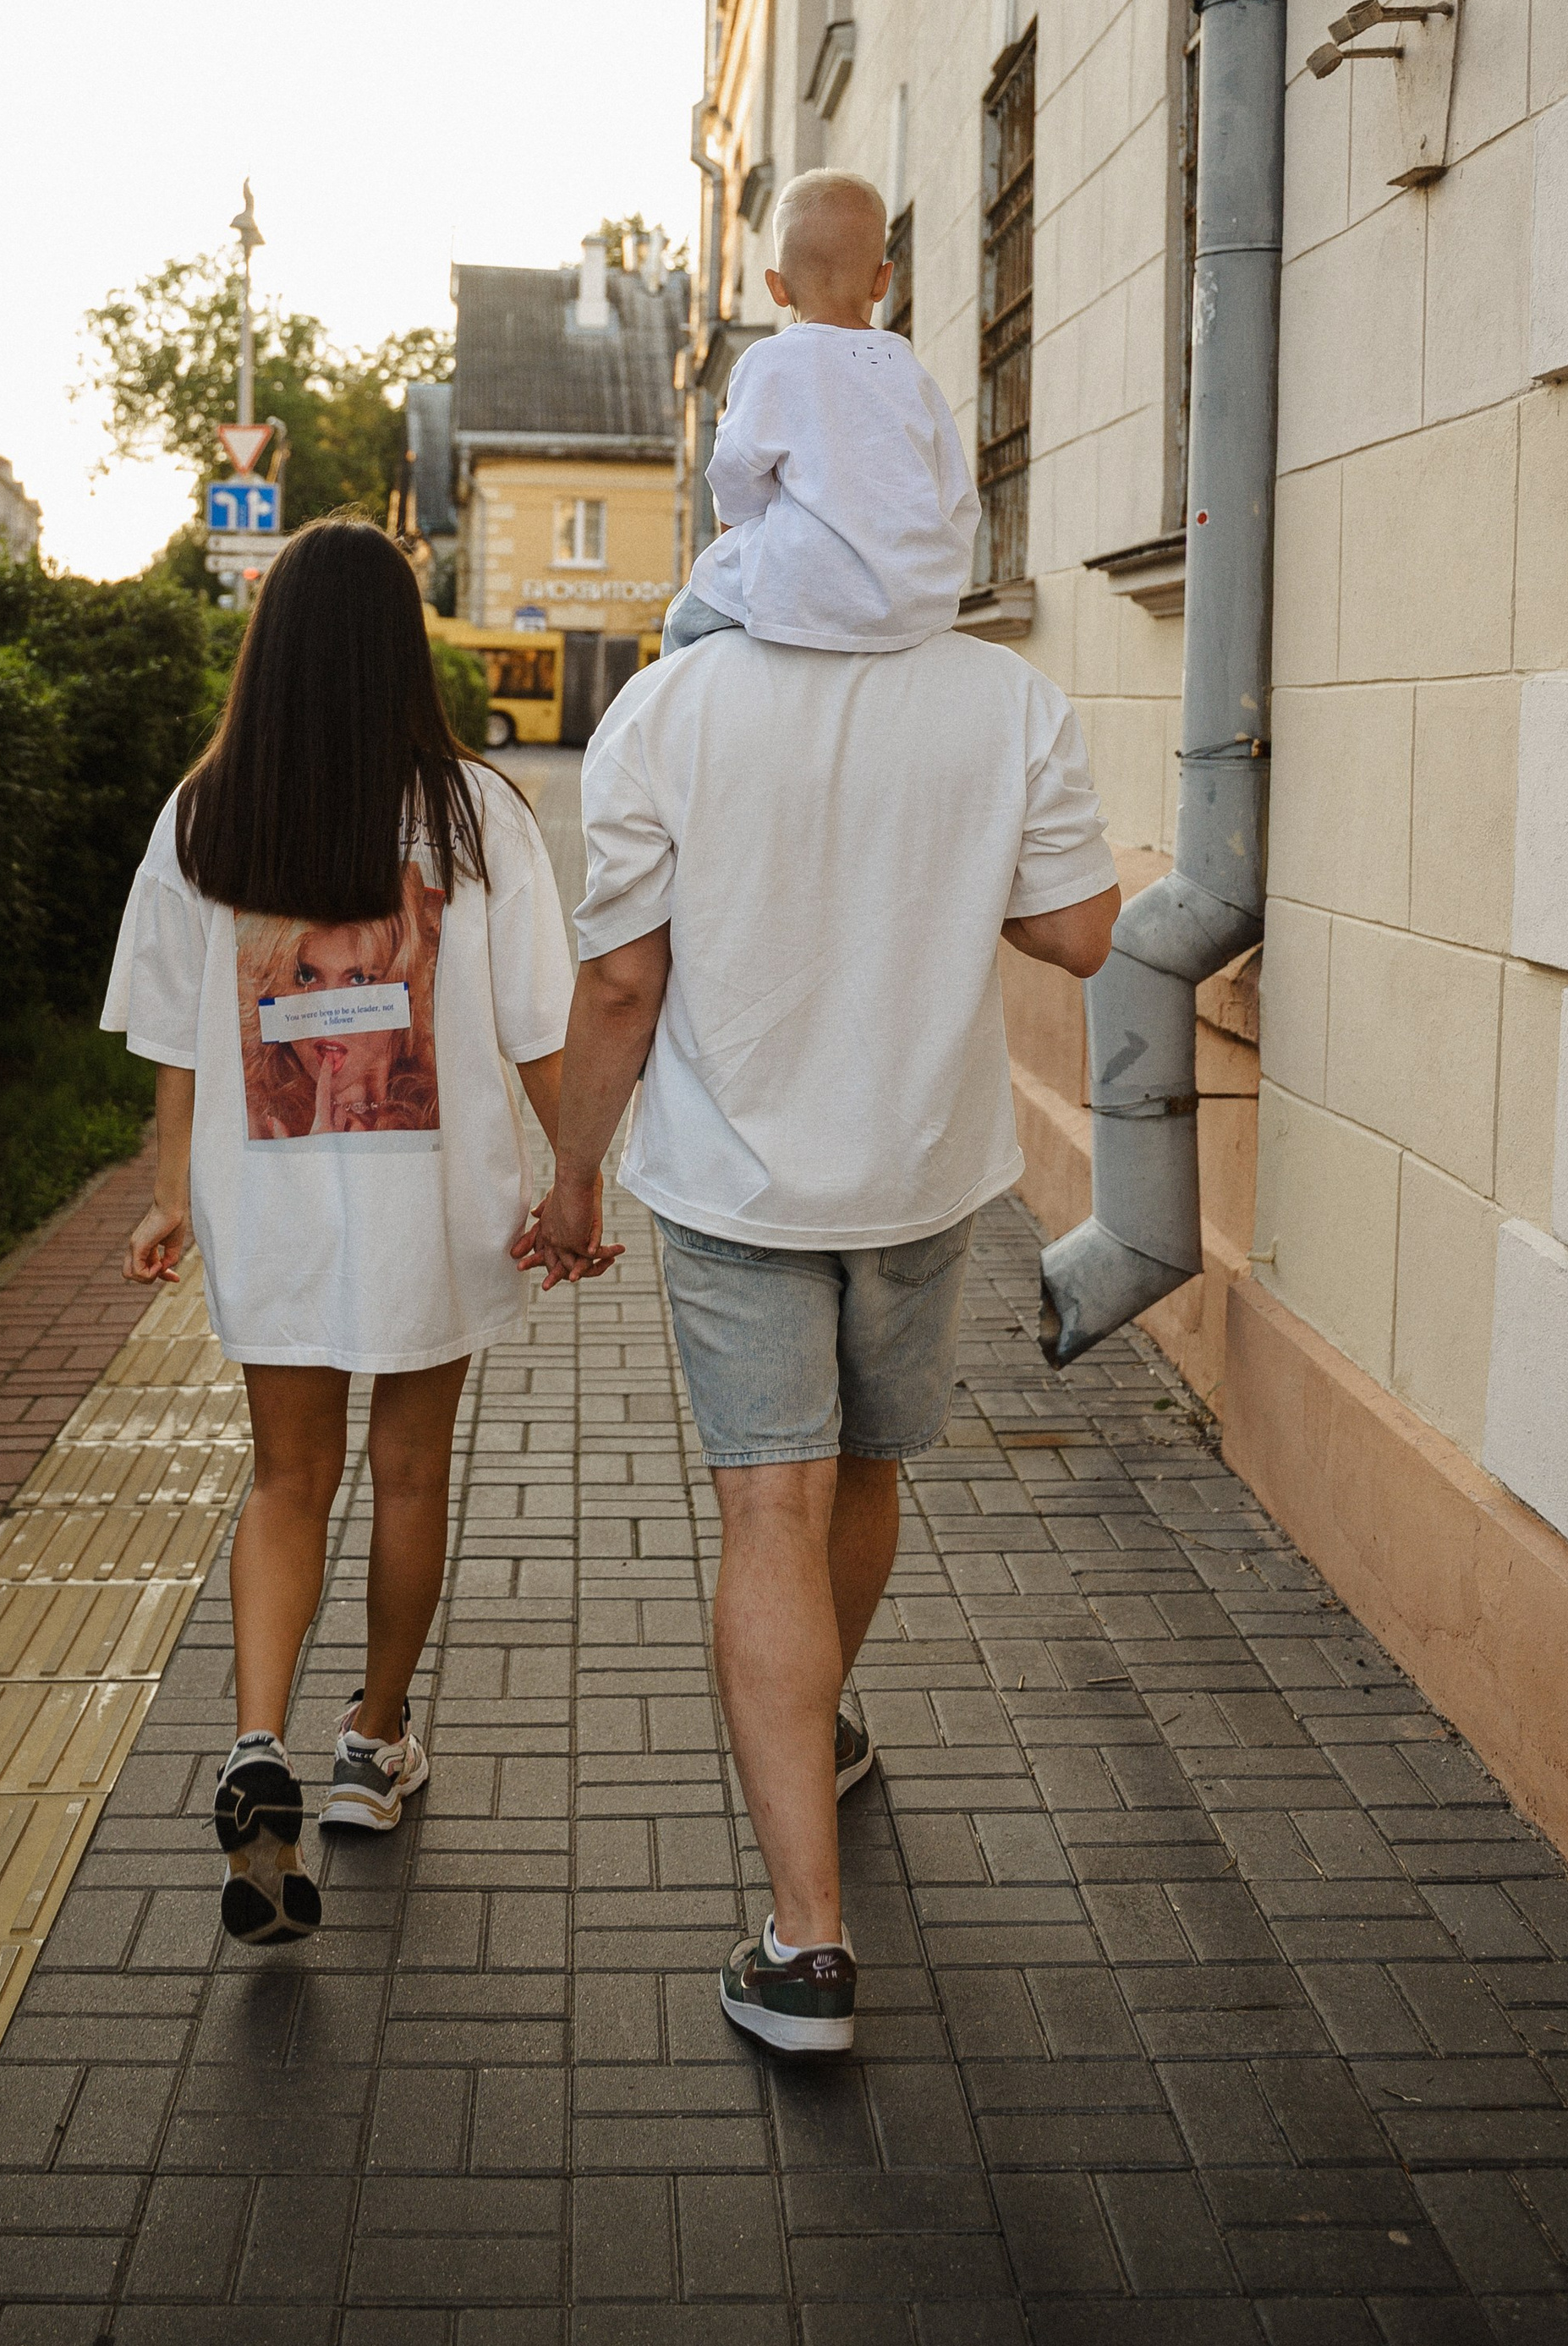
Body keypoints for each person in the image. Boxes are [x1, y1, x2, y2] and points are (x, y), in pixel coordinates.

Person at [514, 603, 1119, 2055]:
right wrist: (939, 852)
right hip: (921, 1170)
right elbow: (1085, 931)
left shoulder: (674, 705)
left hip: (736, 1181)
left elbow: (620, 980)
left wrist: (578, 1172)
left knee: (766, 1503)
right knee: (862, 1470)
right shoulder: (1006, 695)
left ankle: (806, 1947)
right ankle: (824, 1730)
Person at [104, 519, 597, 1945]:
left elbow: (170, 1046)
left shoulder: (205, 814)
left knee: (284, 1481)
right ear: (403, 648)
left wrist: (164, 1193)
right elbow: (537, 1032)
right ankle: (371, 1747)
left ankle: (258, 1740)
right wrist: (577, 1180)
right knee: (409, 1475)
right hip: (435, 1209)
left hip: (267, 1209)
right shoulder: (475, 817)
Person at [664, 168, 980, 655]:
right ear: (883, 281)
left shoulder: (768, 362)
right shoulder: (912, 374)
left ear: (777, 286)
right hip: (910, 602)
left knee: (684, 619)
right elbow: (957, 496)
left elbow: (733, 477)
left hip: (798, 585)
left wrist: (745, 534)